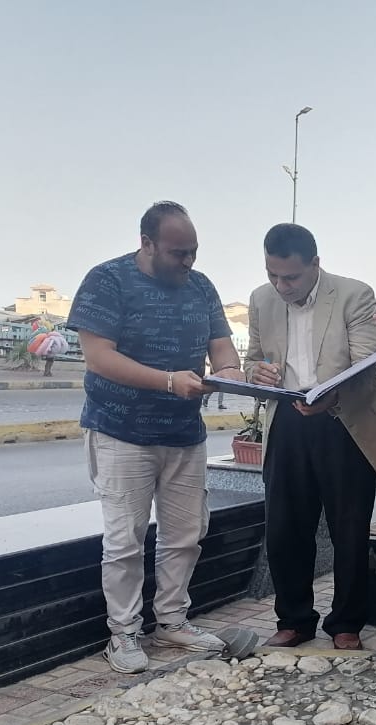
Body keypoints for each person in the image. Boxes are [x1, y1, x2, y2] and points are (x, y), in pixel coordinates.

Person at [69, 202, 244, 674]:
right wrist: (168, 381)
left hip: (184, 433)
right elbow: (99, 357)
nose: (188, 261)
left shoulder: (201, 286)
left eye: (193, 251)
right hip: (120, 432)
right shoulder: (107, 280)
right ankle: (124, 632)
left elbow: (222, 348)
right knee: (124, 540)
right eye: (177, 252)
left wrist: (230, 372)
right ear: (146, 243)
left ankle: (171, 621)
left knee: (186, 534)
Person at [244, 224, 376, 651]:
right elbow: (252, 360)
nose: (281, 286)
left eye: (291, 277)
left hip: (343, 421)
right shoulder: (261, 299)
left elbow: (371, 365)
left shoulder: (354, 294)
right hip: (287, 421)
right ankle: (294, 620)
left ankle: (347, 623)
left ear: (315, 264)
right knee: (284, 529)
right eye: (273, 275)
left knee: (348, 529)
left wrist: (332, 395)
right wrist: (256, 373)